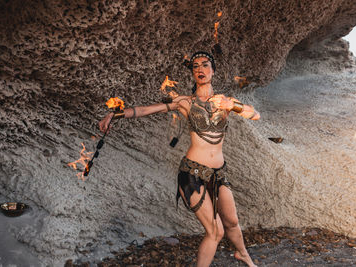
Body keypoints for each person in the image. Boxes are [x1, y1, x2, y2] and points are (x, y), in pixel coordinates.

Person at [99, 51, 259, 267]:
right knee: (215, 231)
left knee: (232, 222)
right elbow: (147, 109)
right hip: (192, 173)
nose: (200, 69)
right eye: (195, 66)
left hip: (219, 173)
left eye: (205, 65)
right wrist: (115, 115)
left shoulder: (225, 101)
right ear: (193, 73)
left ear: (213, 70)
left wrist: (234, 106)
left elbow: (255, 115)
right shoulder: (185, 102)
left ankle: (244, 256)